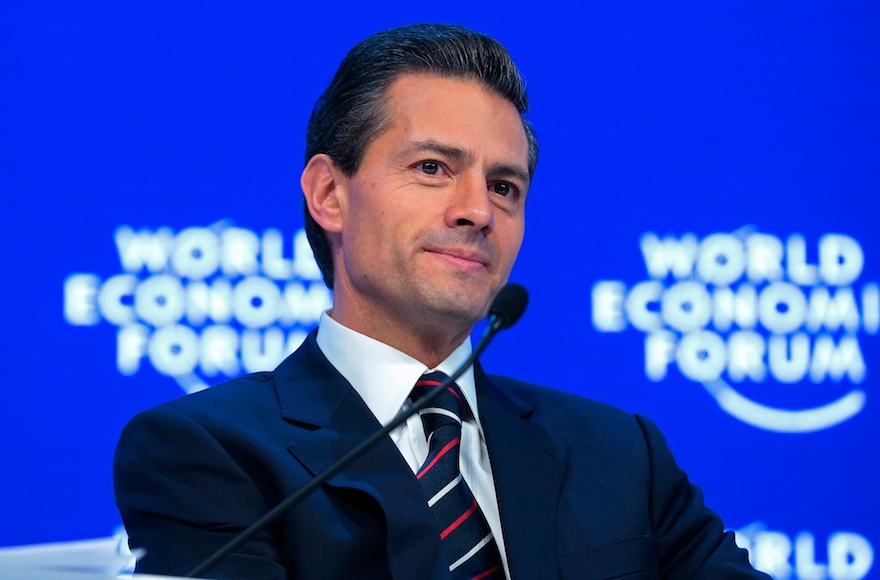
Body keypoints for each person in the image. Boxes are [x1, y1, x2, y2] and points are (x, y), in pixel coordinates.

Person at [114, 24, 770, 579]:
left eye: (506, 186)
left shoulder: (621, 454)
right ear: (328, 196)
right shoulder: (207, 451)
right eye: (433, 168)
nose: (477, 211)